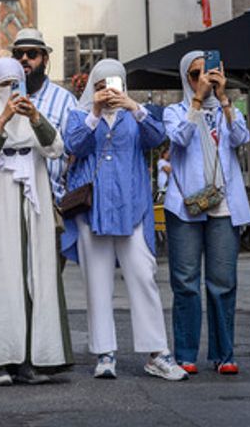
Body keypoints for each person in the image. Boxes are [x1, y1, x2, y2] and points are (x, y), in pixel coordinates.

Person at [62, 59, 185, 382]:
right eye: (100, 84)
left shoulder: (137, 113)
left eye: (113, 83)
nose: (107, 89)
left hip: (133, 206)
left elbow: (158, 138)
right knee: (97, 282)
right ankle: (105, 353)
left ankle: (157, 352)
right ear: (92, 86)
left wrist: (133, 106)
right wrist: (95, 112)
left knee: (143, 276)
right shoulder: (79, 115)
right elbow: (72, 144)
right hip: (94, 209)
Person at [0, 58, 72, 385]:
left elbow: (56, 148)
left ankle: (31, 359)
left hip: (31, 204)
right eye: (5, 85)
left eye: (16, 83)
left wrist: (34, 117)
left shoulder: (37, 118)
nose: (11, 90)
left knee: (32, 276)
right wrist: (5, 118)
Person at [162, 51, 250, 375]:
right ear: (186, 78)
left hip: (225, 207)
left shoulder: (227, 111)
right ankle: (185, 352)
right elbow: (179, 141)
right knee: (185, 282)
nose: (203, 79)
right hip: (186, 206)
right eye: (195, 74)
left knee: (223, 282)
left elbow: (242, 138)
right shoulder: (175, 111)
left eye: (209, 72)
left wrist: (224, 99)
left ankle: (224, 353)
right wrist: (197, 103)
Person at [0, 29, 78, 215]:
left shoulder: (66, 100)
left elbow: (71, 152)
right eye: (18, 54)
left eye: (32, 54)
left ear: (45, 59)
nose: (24, 59)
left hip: (51, 200)